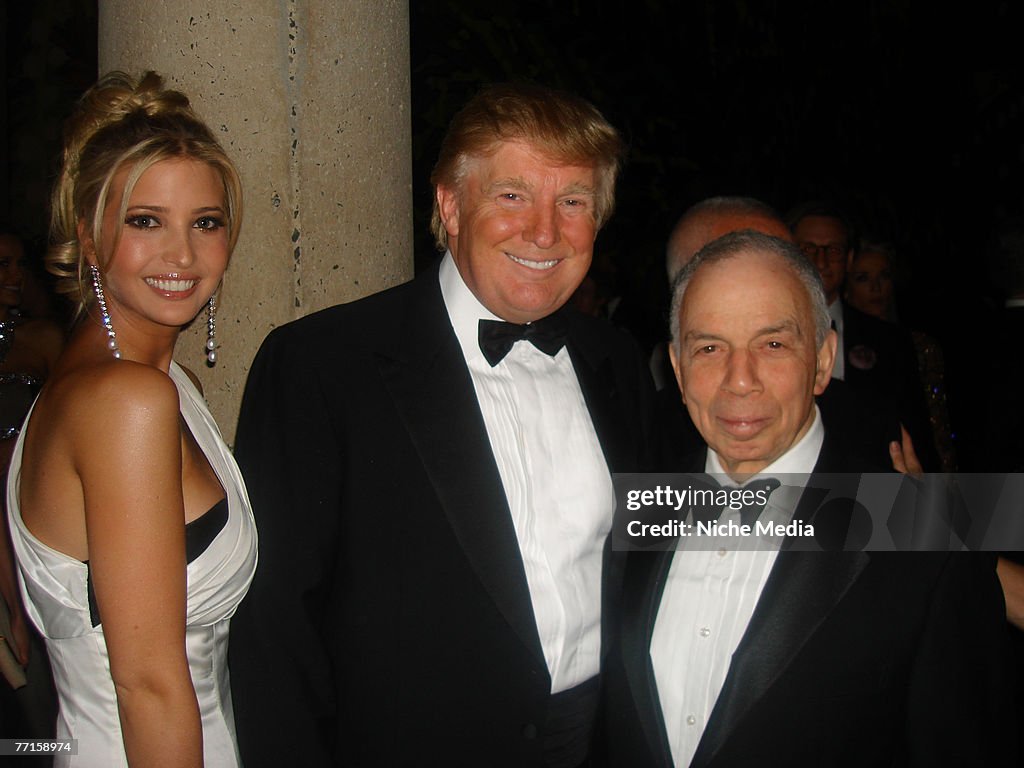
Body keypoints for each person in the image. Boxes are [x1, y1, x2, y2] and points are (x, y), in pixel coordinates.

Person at [229, 82, 656, 767]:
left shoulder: (616, 361)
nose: (544, 231)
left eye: (572, 201)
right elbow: (274, 630)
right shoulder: (321, 365)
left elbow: (656, 539)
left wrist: (887, 511)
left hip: (594, 740)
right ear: (450, 205)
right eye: (513, 195)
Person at [605, 231, 1014, 766]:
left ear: (823, 359)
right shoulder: (636, 506)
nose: (740, 379)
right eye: (710, 347)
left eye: (772, 344)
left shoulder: (926, 540)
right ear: (678, 372)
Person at [5, 71, 256, 767]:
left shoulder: (157, 384)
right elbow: (146, 686)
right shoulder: (125, 403)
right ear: (89, 239)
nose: (182, 255)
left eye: (205, 222)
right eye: (146, 222)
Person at [788, 202, 939, 470]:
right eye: (808, 249)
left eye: (832, 250)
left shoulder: (890, 341)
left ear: (848, 260)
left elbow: (916, 432)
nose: (820, 260)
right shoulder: (758, 336)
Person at [0, 227, 63, 739]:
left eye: (20, 263)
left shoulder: (42, 340)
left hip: (31, 523)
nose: (15, 276)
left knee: (41, 693)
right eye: (3, 264)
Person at [844, 238, 956, 470]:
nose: (875, 288)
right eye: (863, 278)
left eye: (883, 276)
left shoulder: (920, 343)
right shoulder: (834, 344)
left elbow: (936, 423)